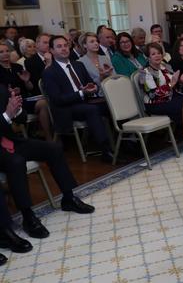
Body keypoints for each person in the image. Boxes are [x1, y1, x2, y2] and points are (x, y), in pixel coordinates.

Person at [0, 84, 95, 241]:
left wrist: (16, 109)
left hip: (10, 141)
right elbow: (6, 118)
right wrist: (7, 115)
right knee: (16, 162)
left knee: (53, 148)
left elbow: (22, 118)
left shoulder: (2, 90)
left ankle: (69, 198)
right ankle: (28, 216)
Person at [41, 36, 114, 162]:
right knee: (92, 109)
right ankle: (106, 150)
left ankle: (124, 142)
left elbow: (93, 85)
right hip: (66, 108)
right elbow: (57, 99)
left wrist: (93, 89)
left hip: (85, 102)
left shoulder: (78, 65)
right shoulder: (50, 72)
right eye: (59, 46)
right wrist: (81, 93)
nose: (64, 49)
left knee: (111, 104)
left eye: (65, 45)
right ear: (51, 51)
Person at [0, 43, 53, 141]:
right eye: (1, 52)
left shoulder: (17, 67)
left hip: (24, 98)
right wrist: (9, 92)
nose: (5, 54)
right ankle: (48, 137)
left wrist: (26, 81)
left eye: (7, 51)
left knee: (47, 100)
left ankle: (46, 134)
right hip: (9, 103)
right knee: (43, 103)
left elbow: (30, 88)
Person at [138, 43, 183, 126]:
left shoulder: (166, 66)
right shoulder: (144, 72)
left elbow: (174, 85)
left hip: (170, 98)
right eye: (153, 54)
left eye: (159, 53)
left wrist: (180, 80)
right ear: (148, 57)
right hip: (155, 104)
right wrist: (170, 85)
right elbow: (153, 94)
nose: (157, 56)